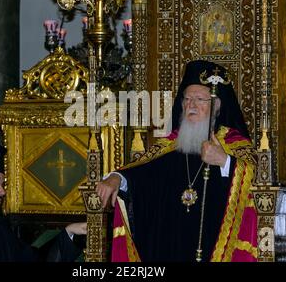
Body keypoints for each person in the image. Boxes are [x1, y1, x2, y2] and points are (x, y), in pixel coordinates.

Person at [96, 60, 257, 262]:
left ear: (216, 107)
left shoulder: (234, 144)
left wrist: (224, 161)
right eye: (187, 99)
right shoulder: (170, 145)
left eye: (200, 99)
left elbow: (257, 181)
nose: (191, 105)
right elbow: (142, 174)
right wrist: (117, 178)